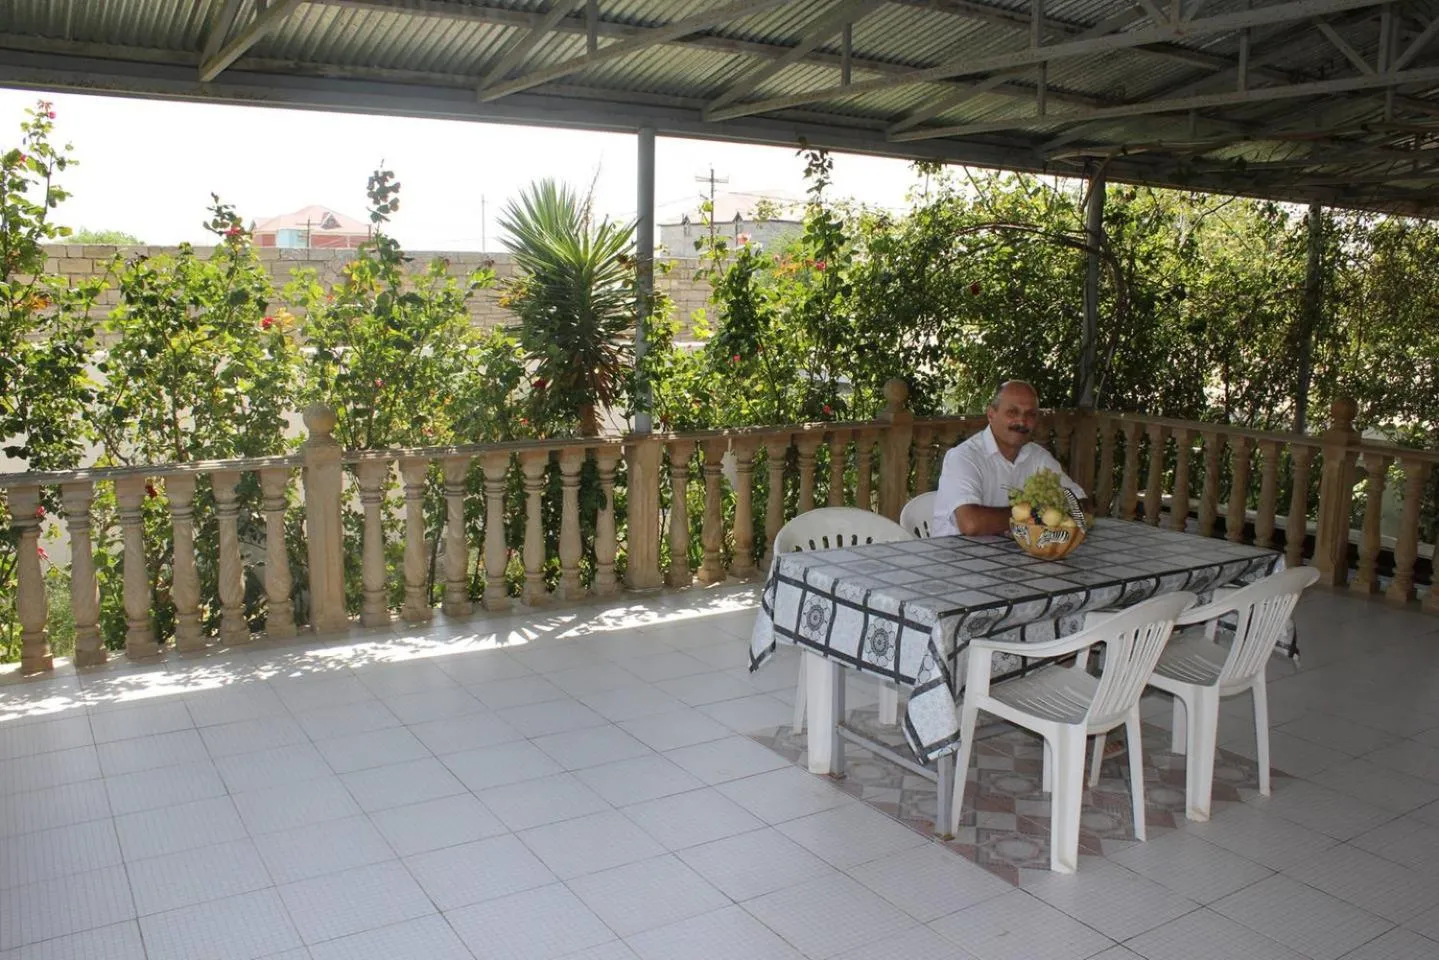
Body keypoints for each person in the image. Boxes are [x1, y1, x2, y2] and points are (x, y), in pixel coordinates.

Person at [931, 380, 1089, 537]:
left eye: (1030, 415)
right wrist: (1038, 513)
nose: (1021, 421)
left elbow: (1083, 505)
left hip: (1010, 555)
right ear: (991, 414)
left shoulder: (1037, 457)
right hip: (957, 556)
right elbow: (971, 524)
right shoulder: (964, 457)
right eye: (1012, 412)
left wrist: (1039, 514)